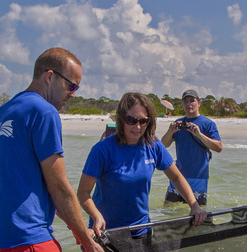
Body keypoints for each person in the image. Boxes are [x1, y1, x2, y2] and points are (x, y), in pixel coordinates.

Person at [0, 48, 106, 252]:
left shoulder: (8, 109)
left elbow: (28, 183)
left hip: (0, 239)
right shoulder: (44, 112)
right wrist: (86, 240)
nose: (73, 94)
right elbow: (59, 188)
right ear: (50, 76)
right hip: (28, 239)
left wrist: (78, 229)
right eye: (71, 86)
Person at [78, 93, 206, 236]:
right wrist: (96, 216)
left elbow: (176, 177)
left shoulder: (154, 145)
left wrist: (194, 205)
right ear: (121, 119)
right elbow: (83, 193)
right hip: (105, 231)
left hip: (141, 229)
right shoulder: (101, 150)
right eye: (131, 120)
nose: (137, 127)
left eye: (143, 121)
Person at [160, 89, 222, 206]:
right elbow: (163, 145)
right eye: (185, 101)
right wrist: (170, 131)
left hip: (198, 177)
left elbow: (218, 147)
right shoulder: (178, 122)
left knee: (198, 213)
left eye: (192, 100)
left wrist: (199, 134)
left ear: (198, 103)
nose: (189, 104)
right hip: (178, 176)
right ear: (182, 105)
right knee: (168, 208)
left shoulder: (208, 124)